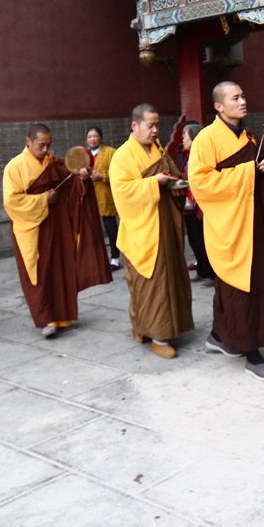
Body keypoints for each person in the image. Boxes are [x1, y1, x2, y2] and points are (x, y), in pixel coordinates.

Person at [188, 81, 264, 382]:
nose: (242, 100)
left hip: (253, 219)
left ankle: (219, 336)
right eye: (235, 97)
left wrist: (260, 171)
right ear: (219, 106)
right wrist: (248, 171)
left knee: (239, 285)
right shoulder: (207, 139)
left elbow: (261, 171)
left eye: (243, 95)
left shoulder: (249, 136)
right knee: (241, 286)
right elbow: (201, 183)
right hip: (230, 224)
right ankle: (252, 354)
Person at [3, 124, 110, 339]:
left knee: (60, 268)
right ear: (28, 142)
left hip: (57, 224)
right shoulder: (14, 167)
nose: (45, 150)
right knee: (38, 272)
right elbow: (11, 202)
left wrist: (81, 177)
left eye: (49, 145)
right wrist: (43, 199)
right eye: (41, 145)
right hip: (32, 229)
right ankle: (45, 319)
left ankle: (61, 315)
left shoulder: (53, 162)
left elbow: (71, 184)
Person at [108, 104, 194, 358]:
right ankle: (158, 336)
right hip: (142, 230)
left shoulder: (158, 150)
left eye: (157, 125)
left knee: (167, 281)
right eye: (150, 125)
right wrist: (154, 183)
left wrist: (176, 184)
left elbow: (173, 174)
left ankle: (143, 327)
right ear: (134, 126)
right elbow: (122, 194)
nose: (155, 130)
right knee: (148, 285)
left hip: (164, 225)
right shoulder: (123, 156)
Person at [177, 121, 213, 286]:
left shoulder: (201, 158)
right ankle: (202, 269)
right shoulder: (187, 156)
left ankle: (212, 273)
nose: (183, 138)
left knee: (204, 242)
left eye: (186, 135)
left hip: (199, 206)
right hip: (189, 206)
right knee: (195, 241)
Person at [86, 127, 120, 269]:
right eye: (90, 137)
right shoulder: (82, 154)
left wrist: (103, 176)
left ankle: (115, 258)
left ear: (101, 138)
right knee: (93, 231)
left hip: (106, 195)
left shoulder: (111, 152)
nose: (92, 139)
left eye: (95, 136)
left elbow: (119, 173)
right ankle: (97, 259)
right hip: (89, 196)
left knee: (111, 229)